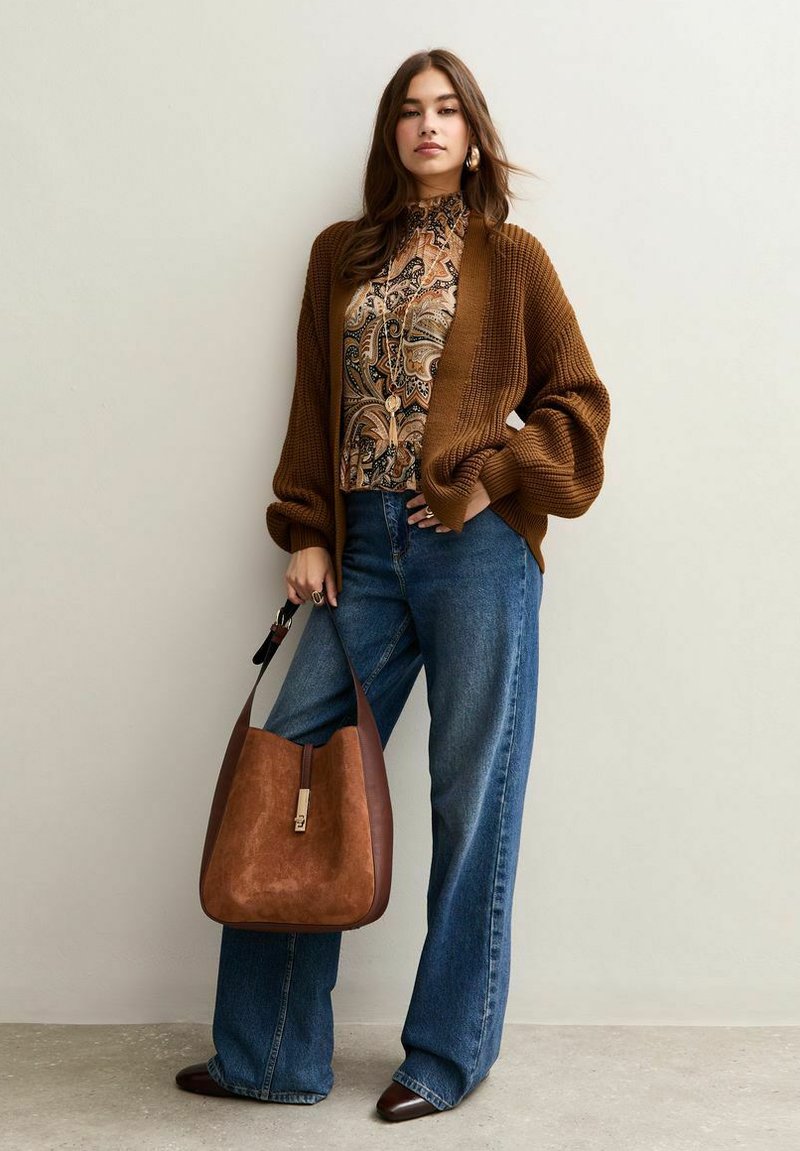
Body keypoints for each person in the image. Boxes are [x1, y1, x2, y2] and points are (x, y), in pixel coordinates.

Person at [177, 47, 611, 1122]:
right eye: (410, 112)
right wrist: (310, 528)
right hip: (359, 556)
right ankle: (269, 1054)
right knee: (292, 765)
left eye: (446, 110)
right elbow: (312, 405)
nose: (428, 127)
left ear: (471, 132)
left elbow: (579, 405)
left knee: (471, 796)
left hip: (477, 557)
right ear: (390, 133)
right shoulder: (341, 253)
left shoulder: (511, 258)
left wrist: (489, 479)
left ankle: (443, 1055)